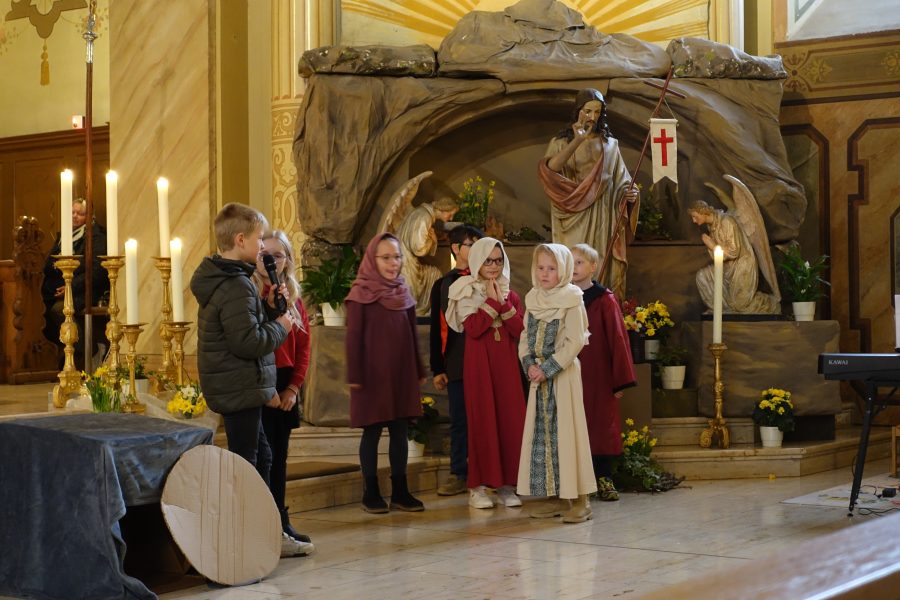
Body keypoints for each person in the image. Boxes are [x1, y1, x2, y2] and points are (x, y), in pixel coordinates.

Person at [189, 203, 312, 558]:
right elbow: (248, 342)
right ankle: (241, 543)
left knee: (263, 458)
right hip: (239, 385)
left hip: (241, 385)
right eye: (259, 239)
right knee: (247, 464)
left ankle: (266, 531)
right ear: (240, 239)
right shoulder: (235, 286)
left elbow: (246, 328)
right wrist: (283, 325)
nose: (261, 247)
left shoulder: (231, 279)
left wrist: (271, 309)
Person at [345, 232, 426, 514]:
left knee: (400, 431)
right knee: (372, 432)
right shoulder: (360, 294)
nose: (393, 263)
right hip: (371, 376)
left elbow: (412, 334)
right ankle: (371, 491)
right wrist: (355, 375)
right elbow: (353, 338)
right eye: (386, 258)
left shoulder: (403, 291)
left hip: (402, 374)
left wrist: (418, 369)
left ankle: (401, 491)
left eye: (397, 257)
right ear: (372, 259)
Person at [516, 244, 596, 523]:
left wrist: (548, 368)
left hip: (563, 377)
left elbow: (575, 341)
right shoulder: (533, 299)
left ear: (563, 270)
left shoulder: (572, 299)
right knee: (545, 436)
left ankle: (582, 499)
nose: (545, 273)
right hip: (538, 379)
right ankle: (556, 496)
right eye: (540, 268)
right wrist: (529, 364)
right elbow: (525, 337)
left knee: (569, 434)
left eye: (551, 268)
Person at [446, 237, 526, 510]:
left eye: (498, 260)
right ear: (477, 261)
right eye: (488, 260)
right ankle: (477, 487)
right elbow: (474, 329)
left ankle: (505, 485)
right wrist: (491, 302)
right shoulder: (464, 290)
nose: (493, 266)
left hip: (507, 366)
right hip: (479, 365)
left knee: (509, 421)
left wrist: (502, 302)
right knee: (482, 422)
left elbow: (519, 330)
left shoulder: (510, 293)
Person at [538, 88, 639, 298]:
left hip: (602, 213)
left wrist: (629, 193)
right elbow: (550, 170)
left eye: (597, 112)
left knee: (598, 262)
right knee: (572, 262)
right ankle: (569, 305)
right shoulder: (561, 142)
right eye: (587, 111)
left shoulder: (609, 145)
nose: (592, 117)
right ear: (578, 111)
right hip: (571, 213)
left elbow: (621, 180)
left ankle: (600, 305)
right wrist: (577, 140)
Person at [252, 229, 313, 548]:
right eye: (264, 255)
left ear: (287, 260)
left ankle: (281, 518)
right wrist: (267, 390)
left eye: (276, 255)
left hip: (285, 380)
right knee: (261, 457)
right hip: (259, 381)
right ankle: (260, 522)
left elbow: (303, 347)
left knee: (279, 457)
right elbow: (255, 343)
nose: (269, 261)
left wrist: (293, 388)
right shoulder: (251, 295)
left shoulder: (293, 298)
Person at [571, 243, 636, 502]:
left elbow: (617, 339)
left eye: (580, 262)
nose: (574, 267)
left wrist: (620, 380)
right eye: (571, 262)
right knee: (573, 424)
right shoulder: (562, 296)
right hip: (568, 371)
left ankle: (604, 477)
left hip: (598, 372)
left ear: (593, 267)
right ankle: (575, 480)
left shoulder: (604, 299)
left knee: (600, 424)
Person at [428, 225, 483, 497]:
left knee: (486, 419)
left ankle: (490, 473)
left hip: (485, 361)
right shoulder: (443, 284)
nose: (477, 250)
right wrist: (438, 368)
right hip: (457, 362)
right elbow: (437, 329)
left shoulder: (488, 278)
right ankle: (458, 473)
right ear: (456, 248)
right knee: (460, 420)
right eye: (472, 244)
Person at [41, 198, 109, 367]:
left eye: (80, 213)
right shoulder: (64, 236)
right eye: (72, 212)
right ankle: (66, 353)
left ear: (90, 216)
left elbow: (97, 271)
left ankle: (91, 349)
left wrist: (71, 287)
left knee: (59, 310)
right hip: (56, 290)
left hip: (85, 290)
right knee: (39, 312)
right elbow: (48, 264)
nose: (75, 216)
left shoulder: (96, 237)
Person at [689, 200, 780, 314]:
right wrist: (711, 246)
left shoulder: (727, 222)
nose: (694, 220)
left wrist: (712, 245)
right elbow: (717, 257)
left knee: (740, 306)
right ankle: (720, 310)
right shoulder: (711, 227)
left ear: (703, 212)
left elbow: (734, 252)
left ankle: (769, 304)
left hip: (742, 267)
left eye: (695, 216)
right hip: (726, 268)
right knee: (702, 276)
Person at [396, 196, 460, 315]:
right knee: (435, 276)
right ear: (442, 209)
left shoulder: (422, 213)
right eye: (450, 214)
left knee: (435, 274)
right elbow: (418, 249)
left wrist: (434, 239)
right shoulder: (424, 217)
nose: (451, 218)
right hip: (407, 266)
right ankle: (423, 312)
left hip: (406, 261)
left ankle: (430, 311)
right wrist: (433, 240)